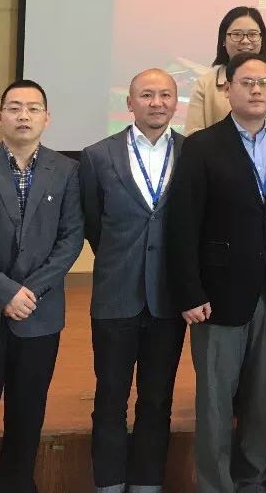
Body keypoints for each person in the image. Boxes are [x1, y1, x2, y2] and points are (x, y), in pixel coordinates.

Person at [165, 52, 266, 493]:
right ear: (227, 90)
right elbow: (182, 224)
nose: (256, 90)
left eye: (264, 82)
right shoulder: (202, 146)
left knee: (262, 398)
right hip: (217, 294)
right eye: (246, 82)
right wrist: (189, 292)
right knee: (215, 400)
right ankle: (215, 484)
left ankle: (252, 480)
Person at [0, 80, 84, 493]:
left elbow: (70, 240)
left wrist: (30, 293)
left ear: (47, 118)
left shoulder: (67, 172)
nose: (24, 115)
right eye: (15, 107)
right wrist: (5, 293)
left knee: (27, 420)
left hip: (38, 316)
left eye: (33, 108)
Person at [79, 68, 187, 493]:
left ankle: (146, 483)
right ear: (129, 103)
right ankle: (109, 483)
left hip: (168, 297)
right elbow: (94, 223)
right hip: (115, 295)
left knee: (157, 399)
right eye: (146, 95)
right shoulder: (97, 156)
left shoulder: (192, 153)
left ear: (176, 102)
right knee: (110, 396)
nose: (156, 103)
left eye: (165, 95)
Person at [185, 6, 266, 133]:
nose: (245, 41)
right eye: (236, 34)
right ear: (223, 40)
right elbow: (193, 136)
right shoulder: (205, 84)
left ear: (262, 39)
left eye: (253, 34)